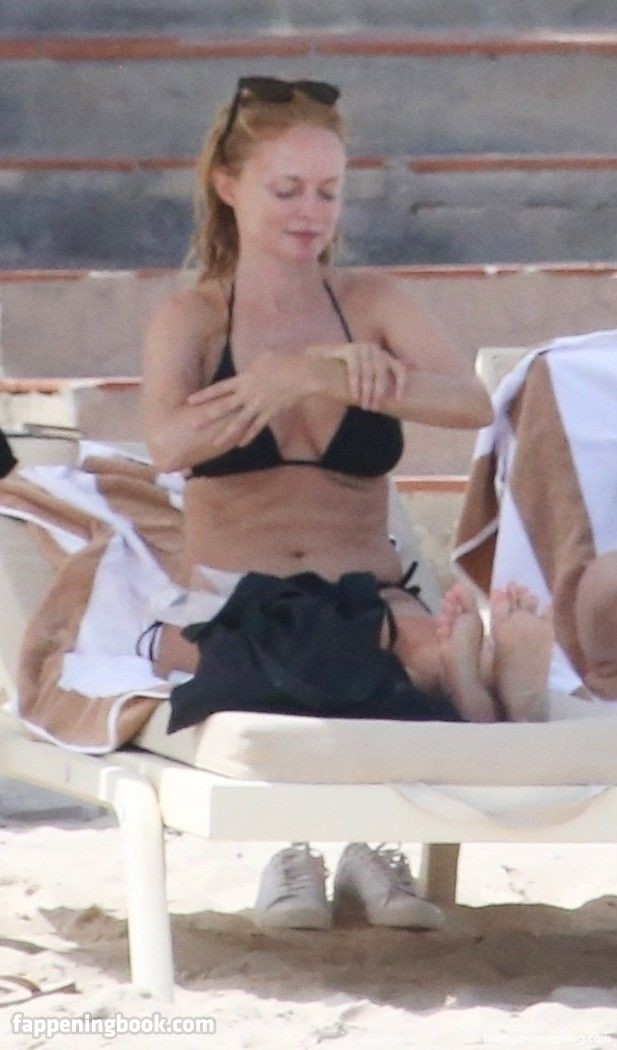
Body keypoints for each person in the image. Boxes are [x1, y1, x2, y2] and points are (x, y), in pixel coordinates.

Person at [141, 76, 554, 931]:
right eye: (287, 189)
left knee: (397, 642)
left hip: (366, 588)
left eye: (328, 192)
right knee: (389, 659)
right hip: (236, 594)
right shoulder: (194, 318)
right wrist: (265, 383)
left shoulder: (369, 304)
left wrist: (321, 374)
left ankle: (444, 716)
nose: (311, 212)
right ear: (228, 184)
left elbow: (473, 403)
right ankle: (450, 704)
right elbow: (168, 446)